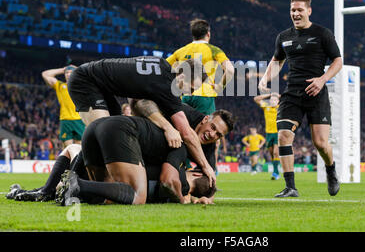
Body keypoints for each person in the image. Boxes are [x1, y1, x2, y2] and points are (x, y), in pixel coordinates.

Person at [68, 56, 216, 186]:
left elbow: (136, 100)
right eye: (190, 88)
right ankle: (66, 183)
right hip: (85, 81)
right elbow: (187, 133)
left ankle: (70, 183)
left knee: (109, 131)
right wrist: (206, 166)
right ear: (182, 76)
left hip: (101, 86)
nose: (189, 93)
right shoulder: (169, 87)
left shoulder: (162, 65)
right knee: (102, 136)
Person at [57, 105, 234, 205]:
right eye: (213, 128)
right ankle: (77, 185)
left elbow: (210, 175)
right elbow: (168, 180)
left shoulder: (207, 148)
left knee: (74, 151)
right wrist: (184, 199)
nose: (213, 135)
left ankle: (53, 191)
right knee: (136, 195)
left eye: (219, 135)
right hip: (123, 132)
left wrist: (207, 197)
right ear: (205, 119)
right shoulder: (181, 130)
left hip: (99, 127)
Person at [258, 0, 343, 197]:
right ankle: (290, 187)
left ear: (309, 11)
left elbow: (337, 61)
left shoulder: (322, 33)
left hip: (316, 91)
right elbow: (277, 61)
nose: (295, 13)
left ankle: (331, 170)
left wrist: (322, 79)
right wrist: (264, 78)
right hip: (292, 93)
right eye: (292, 10)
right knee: (284, 135)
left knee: (320, 143)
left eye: (299, 10)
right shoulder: (284, 37)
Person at [166, 19, 235, 171]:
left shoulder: (181, 51)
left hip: (184, 96)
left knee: (183, 132)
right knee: (211, 136)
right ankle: (210, 173)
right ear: (208, 34)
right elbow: (230, 70)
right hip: (205, 96)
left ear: (193, 34)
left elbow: (164, 67)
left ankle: (184, 167)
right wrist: (218, 86)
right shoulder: (213, 50)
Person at [42, 65, 85, 147]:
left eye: (71, 73)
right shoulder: (60, 86)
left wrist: (78, 69)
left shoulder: (81, 86)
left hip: (79, 120)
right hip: (65, 120)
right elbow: (45, 74)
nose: (68, 74)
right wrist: (62, 69)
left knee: (79, 147)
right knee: (67, 148)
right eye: (66, 73)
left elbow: (90, 76)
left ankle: (77, 160)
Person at [254, 92, 281, 179]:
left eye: (275, 99)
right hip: (269, 134)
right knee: (271, 153)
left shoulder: (280, 108)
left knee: (276, 152)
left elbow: (287, 100)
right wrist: (270, 94)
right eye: (271, 99)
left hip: (277, 133)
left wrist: (279, 96)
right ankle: (276, 169)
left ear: (278, 101)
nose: (273, 101)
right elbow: (256, 99)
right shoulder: (266, 107)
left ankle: (275, 173)